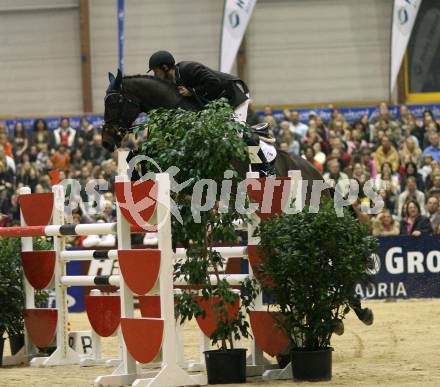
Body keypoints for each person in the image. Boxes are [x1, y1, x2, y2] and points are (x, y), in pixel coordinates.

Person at [147, 50, 275, 176]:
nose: (155, 75)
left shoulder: (189, 68)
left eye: (155, 71)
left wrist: (191, 91)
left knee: (238, 133)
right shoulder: (175, 82)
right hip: (218, 104)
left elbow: (214, 82)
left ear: (164, 67)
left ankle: (264, 167)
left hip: (234, 96)